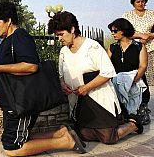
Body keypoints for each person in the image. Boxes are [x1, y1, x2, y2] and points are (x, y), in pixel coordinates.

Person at [0, 1, 86, 156]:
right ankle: (61, 133)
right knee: (11, 139)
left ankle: (65, 141)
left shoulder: (20, 36)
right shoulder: (6, 41)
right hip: (13, 102)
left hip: (21, 101)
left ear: (9, 20)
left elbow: (32, 66)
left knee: (12, 148)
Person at [47, 11, 143, 145]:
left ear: (72, 29)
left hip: (98, 98)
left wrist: (86, 88)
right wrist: (63, 84)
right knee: (84, 135)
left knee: (108, 138)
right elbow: (62, 75)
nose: (59, 39)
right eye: (57, 35)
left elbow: (108, 72)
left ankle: (133, 124)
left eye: (61, 34)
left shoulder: (92, 47)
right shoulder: (64, 51)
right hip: (78, 100)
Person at [122, 0, 153, 124]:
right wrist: (140, 36)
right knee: (139, 78)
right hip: (135, 50)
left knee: (150, 80)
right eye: (137, 1)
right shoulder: (127, 15)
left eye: (142, 1)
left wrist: (149, 36)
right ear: (133, 3)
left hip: (151, 49)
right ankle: (139, 106)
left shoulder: (152, 14)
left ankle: (145, 105)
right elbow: (125, 32)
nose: (140, 4)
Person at [107, 18, 148, 122]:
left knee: (140, 119)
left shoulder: (139, 46)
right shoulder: (112, 48)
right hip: (118, 84)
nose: (112, 34)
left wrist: (131, 81)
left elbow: (143, 66)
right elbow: (107, 66)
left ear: (123, 31)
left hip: (136, 82)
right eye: (111, 31)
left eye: (115, 31)